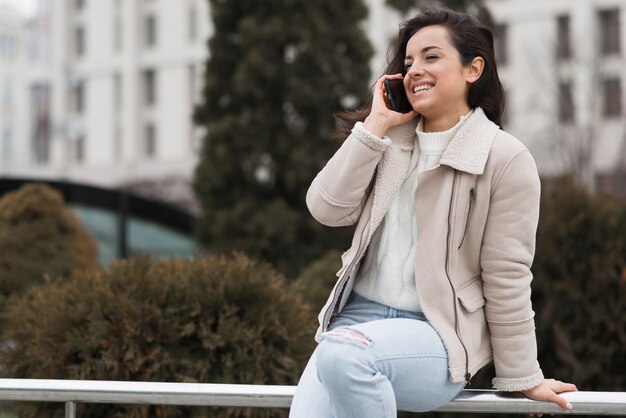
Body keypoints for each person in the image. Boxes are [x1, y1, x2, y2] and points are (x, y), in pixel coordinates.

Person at [289, 7, 577, 418]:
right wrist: (374, 126)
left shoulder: (505, 158)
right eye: (408, 62)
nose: (414, 70)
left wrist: (522, 375)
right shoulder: (387, 141)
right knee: (331, 371)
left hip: (437, 335)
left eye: (431, 56)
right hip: (354, 325)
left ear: (473, 69)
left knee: (344, 358)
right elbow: (325, 209)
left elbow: (507, 275)